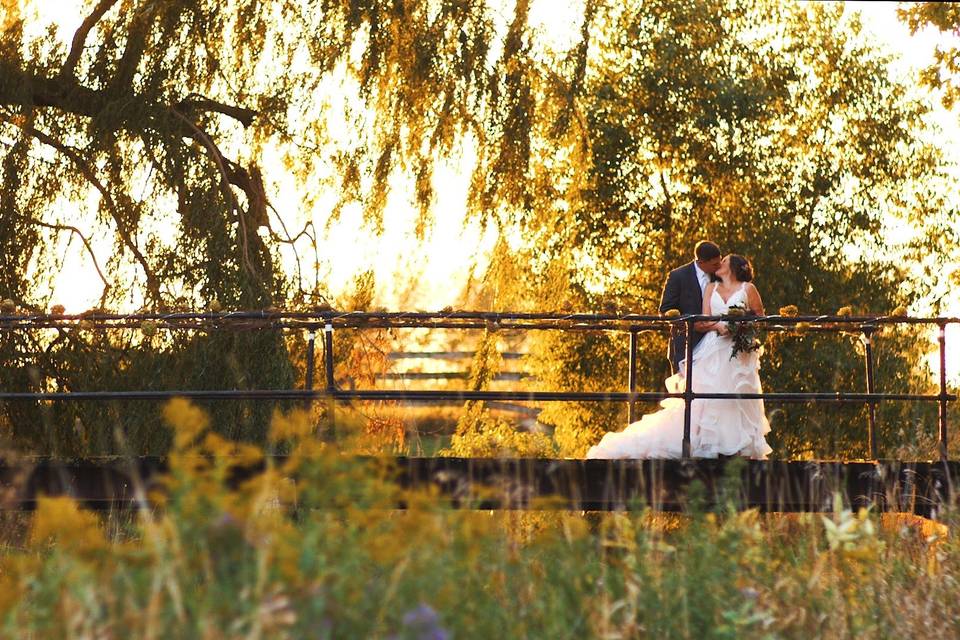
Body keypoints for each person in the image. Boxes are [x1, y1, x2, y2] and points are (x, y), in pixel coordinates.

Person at [587, 254, 772, 459]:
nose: (719, 264)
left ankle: (737, 446)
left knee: (736, 396)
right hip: (713, 348)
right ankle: (708, 443)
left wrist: (741, 327)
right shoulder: (711, 288)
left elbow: (760, 317)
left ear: (734, 267)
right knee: (706, 398)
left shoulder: (748, 289)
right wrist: (720, 326)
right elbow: (702, 321)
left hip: (738, 351)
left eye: (725, 262)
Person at [659, 241, 722, 374]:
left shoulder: (721, 276)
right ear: (701, 262)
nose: (719, 266)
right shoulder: (678, 276)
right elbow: (665, 310)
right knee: (684, 390)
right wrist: (691, 324)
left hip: (716, 346)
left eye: (720, 261)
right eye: (715, 264)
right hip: (686, 344)